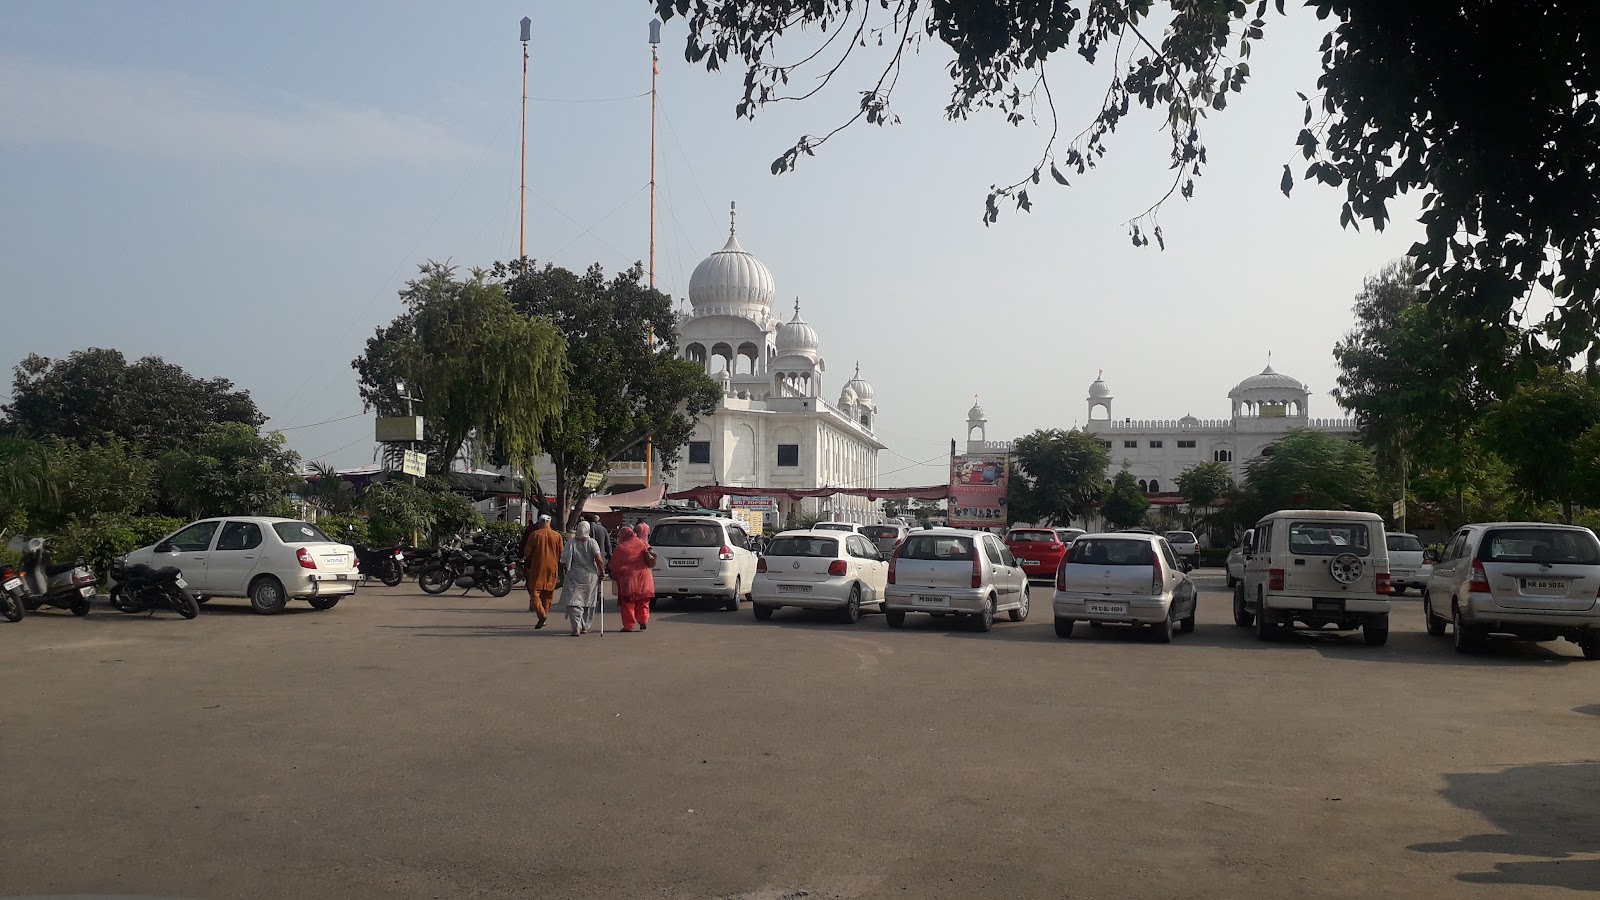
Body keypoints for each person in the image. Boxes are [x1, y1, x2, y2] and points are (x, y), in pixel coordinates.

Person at [560, 521, 605, 636]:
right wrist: (602, 572)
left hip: (574, 576)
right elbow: (599, 560)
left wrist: (567, 570)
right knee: (588, 602)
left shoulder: (571, 543)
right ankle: (585, 627)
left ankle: (576, 627)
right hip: (590, 576)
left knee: (574, 602)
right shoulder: (592, 542)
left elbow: (563, 561)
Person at [609, 526, 657, 632]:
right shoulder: (643, 543)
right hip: (644, 578)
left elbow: (613, 565)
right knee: (643, 602)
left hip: (628, 580)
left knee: (627, 604)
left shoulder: (621, 548)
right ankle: (643, 620)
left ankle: (629, 625)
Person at [522, 515, 562, 628]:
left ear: (540, 523)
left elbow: (527, 552)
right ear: (550, 523)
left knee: (535, 592)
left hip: (538, 568)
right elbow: (561, 553)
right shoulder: (557, 536)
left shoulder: (534, 535)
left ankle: (541, 614)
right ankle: (544, 617)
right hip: (552, 568)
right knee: (548, 594)